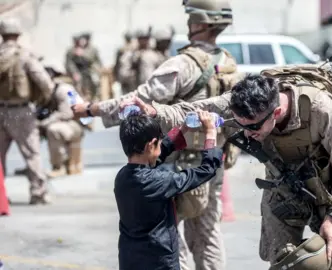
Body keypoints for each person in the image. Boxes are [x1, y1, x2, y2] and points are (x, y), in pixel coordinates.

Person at [123, 65, 332, 269]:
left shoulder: (321, 110)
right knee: (282, 260)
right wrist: (156, 111)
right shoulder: (241, 106)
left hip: (330, 194)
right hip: (283, 190)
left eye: (253, 127)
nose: (247, 134)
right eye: (241, 126)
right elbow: (198, 109)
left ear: (276, 112)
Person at [72, 1, 241, 269]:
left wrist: (91, 109)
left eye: (191, 19)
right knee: (209, 233)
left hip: (178, 163)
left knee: (171, 233)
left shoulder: (184, 63)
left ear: (199, 23)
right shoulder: (227, 61)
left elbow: (137, 100)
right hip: (214, 156)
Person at [114, 111, 223, 270]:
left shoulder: (122, 177)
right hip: (159, 262)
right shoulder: (158, 181)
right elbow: (205, 170)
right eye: (158, 142)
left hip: (130, 260)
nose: (160, 144)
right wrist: (211, 132)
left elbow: (155, 155)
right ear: (150, 145)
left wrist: (183, 129)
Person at [0, 18, 54, 204]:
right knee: (32, 153)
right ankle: (38, 193)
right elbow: (45, 83)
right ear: (18, 34)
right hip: (22, 111)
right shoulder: (24, 55)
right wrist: (41, 101)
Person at [38, 63, 85, 178]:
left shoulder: (63, 89)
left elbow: (67, 113)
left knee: (53, 130)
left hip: (75, 124)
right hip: (63, 122)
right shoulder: (47, 90)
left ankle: (58, 167)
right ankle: (34, 167)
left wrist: (44, 123)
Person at [118, 29, 164, 94]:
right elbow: (123, 75)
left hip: (153, 91)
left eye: (146, 38)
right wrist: (136, 74)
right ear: (138, 39)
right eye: (142, 38)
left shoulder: (154, 54)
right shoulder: (130, 55)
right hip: (134, 91)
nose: (144, 41)